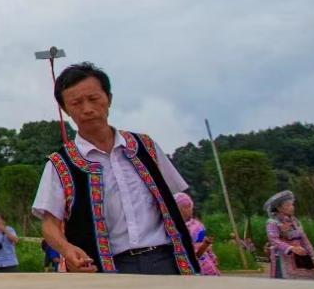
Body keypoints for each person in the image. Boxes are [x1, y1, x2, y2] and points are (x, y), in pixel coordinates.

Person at [32, 62, 199, 276]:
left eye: (94, 99)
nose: (87, 109)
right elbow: (50, 224)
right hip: (105, 267)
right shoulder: (60, 164)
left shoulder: (145, 147)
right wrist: (67, 249)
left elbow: (176, 198)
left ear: (108, 99)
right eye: (76, 103)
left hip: (166, 260)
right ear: (65, 110)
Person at [265, 190, 314, 280]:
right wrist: (291, 248)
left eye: (292, 205)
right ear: (279, 208)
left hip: (301, 255)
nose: (292, 207)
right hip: (283, 257)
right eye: (288, 205)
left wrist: (311, 253)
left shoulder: (295, 221)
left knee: (309, 283)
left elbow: (303, 237)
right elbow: (274, 240)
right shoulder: (273, 222)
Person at [174, 193, 221, 276]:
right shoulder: (173, 227)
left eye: (189, 207)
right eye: (184, 207)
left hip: (202, 266)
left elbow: (199, 251)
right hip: (187, 265)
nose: (188, 210)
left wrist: (206, 246)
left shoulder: (196, 226)